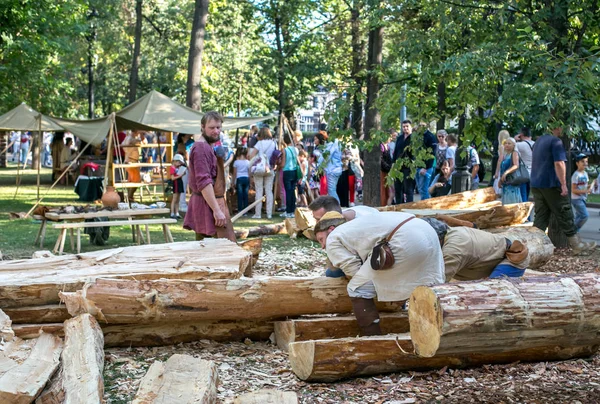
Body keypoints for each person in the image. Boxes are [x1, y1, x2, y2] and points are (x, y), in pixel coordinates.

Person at [314, 211, 445, 335]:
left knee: (357, 288)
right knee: (429, 285)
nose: (322, 246)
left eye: (321, 239)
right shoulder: (357, 224)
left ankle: (373, 338)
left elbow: (354, 270)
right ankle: (438, 332)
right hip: (427, 230)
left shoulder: (333, 237)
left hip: (406, 238)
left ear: (331, 229)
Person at [530, 126, 595, 253]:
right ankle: (577, 245)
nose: (564, 130)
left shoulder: (539, 141)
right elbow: (559, 163)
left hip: (537, 183)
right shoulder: (556, 142)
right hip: (552, 184)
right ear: (556, 126)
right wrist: (563, 184)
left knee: (541, 216)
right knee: (565, 212)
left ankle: (533, 246)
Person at [183, 111, 233, 241]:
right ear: (202, 127)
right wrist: (216, 210)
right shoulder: (201, 148)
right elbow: (204, 182)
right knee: (211, 251)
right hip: (207, 206)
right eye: (211, 128)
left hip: (210, 203)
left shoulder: (208, 146)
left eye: (218, 127)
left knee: (209, 247)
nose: (216, 131)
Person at [248, 127, 277, 219]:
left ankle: (258, 213)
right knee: (269, 191)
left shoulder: (259, 143)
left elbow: (251, 155)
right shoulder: (274, 143)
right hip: (270, 168)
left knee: (259, 191)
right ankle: (269, 213)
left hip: (260, 168)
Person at [392, 120, 416, 204]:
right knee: (398, 189)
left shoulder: (414, 138)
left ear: (411, 127)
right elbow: (396, 151)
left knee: (408, 189)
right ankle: (399, 207)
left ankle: (409, 207)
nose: (405, 128)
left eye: (407, 126)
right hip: (398, 167)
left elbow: (415, 154)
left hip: (408, 167)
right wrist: (393, 164)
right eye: (403, 126)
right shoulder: (399, 138)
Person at [315, 131, 343, 202]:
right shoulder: (338, 143)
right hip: (336, 169)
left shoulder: (332, 144)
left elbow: (327, 155)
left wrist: (319, 164)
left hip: (333, 169)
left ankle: (336, 208)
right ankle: (335, 208)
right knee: (331, 190)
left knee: (331, 190)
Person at [571, 154, 592, 233]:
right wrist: (586, 191)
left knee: (579, 216)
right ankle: (572, 231)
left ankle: (575, 233)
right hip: (576, 199)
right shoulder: (576, 175)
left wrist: (590, 186)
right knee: (584, 215)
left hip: (583, 198)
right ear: (577, 163)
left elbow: (584, 185)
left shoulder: (585, 174)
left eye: (586, 161)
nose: (585, 163)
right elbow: (573, 190)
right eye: (582, 161)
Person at [499, 138, 522, 205]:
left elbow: (516, 165)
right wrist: (500, 180)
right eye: (505, 143)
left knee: (511, 205)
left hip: (512, 183)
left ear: (514, 145)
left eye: (509, 143)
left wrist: (506, 172)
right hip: (506, 183)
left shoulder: (514, 153)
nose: (507, 145)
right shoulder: (506, 155)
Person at [515, 127, 534, 202]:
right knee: (528, 193)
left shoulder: (520, 145)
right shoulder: (535, 144)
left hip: (524, 173)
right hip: (534, 173)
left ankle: (525, 213)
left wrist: (515, 139)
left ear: (521, 134)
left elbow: (507, 149)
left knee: (523, 195)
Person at [233, 148, 251, 214]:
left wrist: (233, 182)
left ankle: (240, 210)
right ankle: (245, 211)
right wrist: (250, 181)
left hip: (239, 178)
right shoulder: (248, 162)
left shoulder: (236, 162)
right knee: (245, 195)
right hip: (246, 178)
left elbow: (235, 173)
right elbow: (249, 172)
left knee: (240, 195)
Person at [169, 154, 186, 219]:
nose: (179, 164)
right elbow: (173, 178)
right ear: (175, 161)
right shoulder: (172, 168)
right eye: (178, 162)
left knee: (178, 200)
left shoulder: (178, 168)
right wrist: (181, 175)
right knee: (174, 199)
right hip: (176, 183)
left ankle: (177, 212)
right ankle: (172, 213)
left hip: (179, 183)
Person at [380, 137, 394, 206]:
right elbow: (381, 160)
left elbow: (389, 159)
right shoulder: (381, 146)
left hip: (388, 171)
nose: (390, 139)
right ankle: (383, 204)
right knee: (383, 189)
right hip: (383, 171)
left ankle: (387, 205)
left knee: (388, 189)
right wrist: (388, 167)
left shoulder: (387, 146)